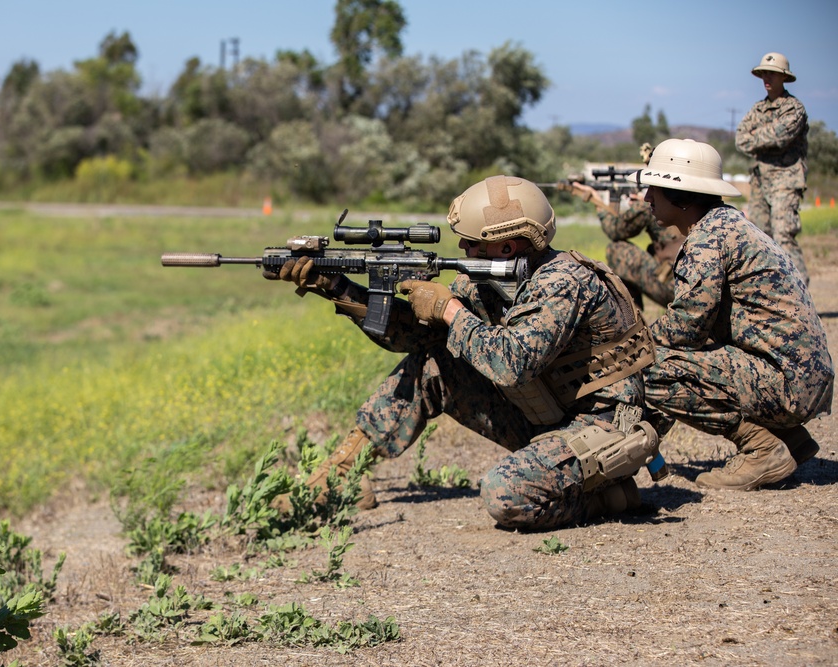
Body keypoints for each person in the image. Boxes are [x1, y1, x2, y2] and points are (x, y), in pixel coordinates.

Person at [265, 176, 661, 530]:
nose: (462, 248)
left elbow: (512, 364)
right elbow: (416, 338)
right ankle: (341, 474)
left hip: (601, 425)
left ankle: (607, 496)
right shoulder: (488, 279)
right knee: (433, 364)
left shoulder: (563, 282)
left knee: (507, 494)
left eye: (471, 243)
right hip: (546, 411)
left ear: (506, 246)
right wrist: (339, 288)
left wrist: (450, 310)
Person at [628, 138, 833, 491]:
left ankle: (762, 449)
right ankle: (789, 439)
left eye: (654, 189)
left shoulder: (707, 238)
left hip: (787, 383)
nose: (647, 198)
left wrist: (631, 345)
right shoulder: (727, 224)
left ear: (681, 195)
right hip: (798, 378)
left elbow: (687, 326)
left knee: (648, 365)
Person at [570, 143, 684, 310]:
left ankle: (632, 316)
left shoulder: (648, 205)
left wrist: (597, 202)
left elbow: (615, 230)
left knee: (617, 250)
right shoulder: (691, 196)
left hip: (673, 286)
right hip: (690, 283)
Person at [735, 52, 810, 285]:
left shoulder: (794, 108)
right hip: (760, 181)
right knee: (759, 238)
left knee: (783, 235)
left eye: (773, 74)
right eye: (764, 73)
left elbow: (781, 137)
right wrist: (765, 136)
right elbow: (740, 139)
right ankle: (769, 290)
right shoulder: (757, 109)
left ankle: (799, 290)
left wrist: (757, 136)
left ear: (784, 77)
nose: (767, 78)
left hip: (786, 180)